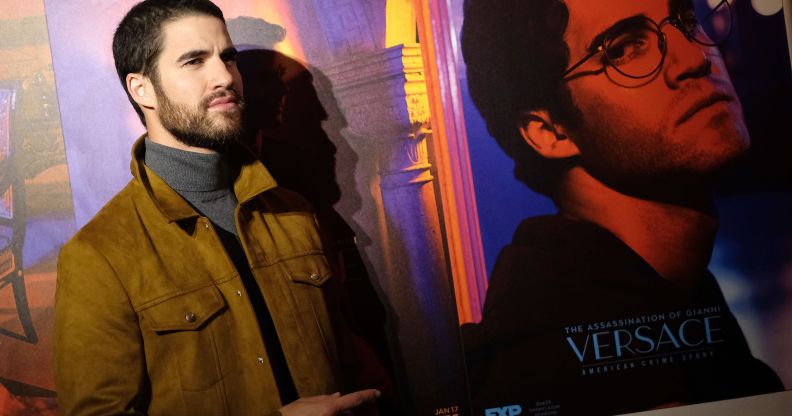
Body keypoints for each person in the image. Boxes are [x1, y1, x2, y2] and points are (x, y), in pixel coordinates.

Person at [53, 1, 381, 415]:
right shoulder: (98, 255)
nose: (225, 77)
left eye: (228, 58)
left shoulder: (293, 212)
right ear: (142, 89)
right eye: (194, 61)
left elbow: (347, 361)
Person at [460, 0, 784, 414]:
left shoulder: (672, 299)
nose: (694, 58)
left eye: (686, 20)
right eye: (624, 48)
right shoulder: (556, 364)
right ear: (549, 131)